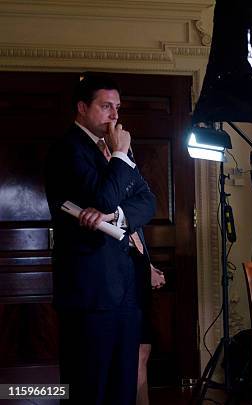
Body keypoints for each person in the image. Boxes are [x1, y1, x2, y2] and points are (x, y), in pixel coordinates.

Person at [45, 74, 156, 404]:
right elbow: (103, 197)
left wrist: (114, 216)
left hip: (125, 289)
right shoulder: (67, 150)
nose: (114, 116)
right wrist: (120, 156)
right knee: (88, 389)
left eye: (117, 108)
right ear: (82, 107)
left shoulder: (116, 147)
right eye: (106, 106)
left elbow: (147, 200)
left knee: (122, 389)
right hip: (88, 292)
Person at [137, 266, 165, 405]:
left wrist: (150, 268)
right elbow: (123, 244)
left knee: (143, 350)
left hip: (137, 284)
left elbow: (137, 245)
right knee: (138, 352)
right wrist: (148, 270)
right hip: (120, 284)